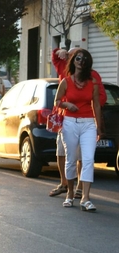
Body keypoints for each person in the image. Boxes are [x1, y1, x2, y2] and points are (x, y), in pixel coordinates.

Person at [49, 47, 107, 198]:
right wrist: (58, 51)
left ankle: (80, 187)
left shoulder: (93, 77)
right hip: (66, 119)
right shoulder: (65, 70)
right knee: (62, 152)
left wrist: (86, 107)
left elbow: (101, 98)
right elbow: (55, 58)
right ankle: (65, 184)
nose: (79, 60)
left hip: (85, 120)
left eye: (82, 58)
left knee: (83, 156)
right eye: (75, 57)